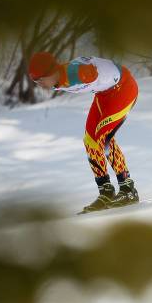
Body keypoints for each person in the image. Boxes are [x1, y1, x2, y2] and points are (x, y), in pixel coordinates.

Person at [28, 51, 140, 213]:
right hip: (104, 94)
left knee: (104, 137)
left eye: (39, 80)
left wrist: (91, 71)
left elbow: (89, 70)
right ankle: (106, 191)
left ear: (50, 72)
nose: (38, 84)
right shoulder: (59, 77)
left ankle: (128, 189)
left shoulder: (78, 73)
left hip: (124, 88)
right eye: (34, 81)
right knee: (90, 140)